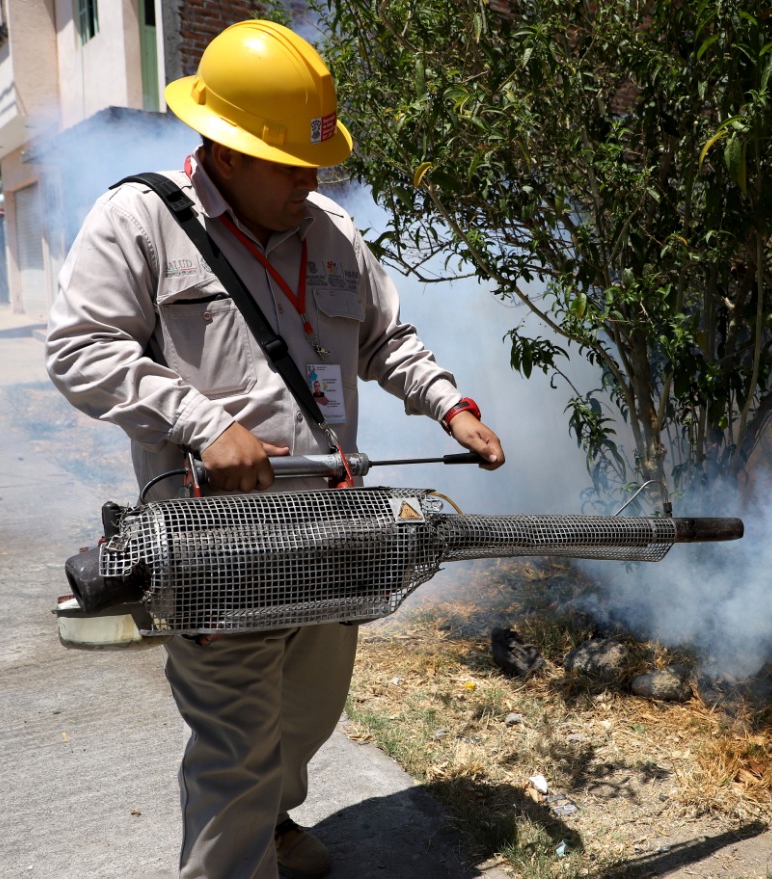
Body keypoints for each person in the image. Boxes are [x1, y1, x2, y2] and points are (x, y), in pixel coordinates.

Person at [44, 19, 505, 879]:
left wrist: (449, 407)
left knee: (307, 711)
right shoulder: (140, 222)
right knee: (235, 742)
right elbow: (79, 348)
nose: (311, 180)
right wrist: (203, 422)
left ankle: (274, 815)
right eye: (290, 164)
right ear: (224, 153)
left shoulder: (329, 230)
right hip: (217, 545)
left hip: (331, 532)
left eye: (317, 163)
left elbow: (386, 341)